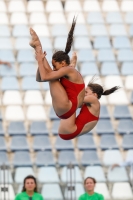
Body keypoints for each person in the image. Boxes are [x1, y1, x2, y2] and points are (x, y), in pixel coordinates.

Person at [29, 17, 85, 119]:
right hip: (65, 109)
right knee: (51, 76)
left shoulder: (68, 70)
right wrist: (41, 61)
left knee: (51, 77)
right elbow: (39, 78)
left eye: (55, 66)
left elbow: (45, 77)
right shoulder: (68, 70)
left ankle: (38, 45)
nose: (54, 69)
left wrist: (40, 60)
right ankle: (37, 46)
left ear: (63, 63)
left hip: (67, 108)